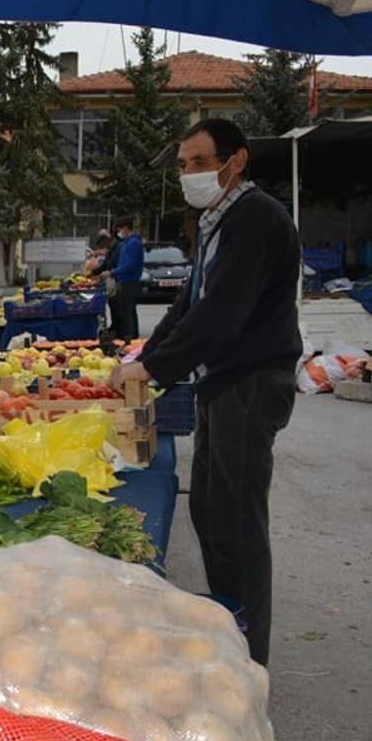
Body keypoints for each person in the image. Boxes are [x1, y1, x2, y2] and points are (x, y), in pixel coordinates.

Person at [110, 118, 301, 666]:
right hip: (223, 379)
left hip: (251, 378)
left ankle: (247, 658)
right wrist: (145, 357)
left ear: (235, 161)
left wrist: (154, 370)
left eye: (199, 162)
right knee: (212, 515)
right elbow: (190, 304)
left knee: (238, 523)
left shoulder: (256, 219)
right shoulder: (219, 219)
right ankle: (227, 627)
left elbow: (221, 316)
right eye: (184, 164)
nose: (189, 173)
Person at [100, 216, 144, 340]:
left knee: (127, 311)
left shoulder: (133, 243)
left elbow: (129, 265)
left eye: (119, 229)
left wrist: (112, 272)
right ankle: (130, 335)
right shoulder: (127, 243)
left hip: (129, 281)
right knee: (126, 310)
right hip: (124, 280)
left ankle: (129, 337)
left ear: (125, 228)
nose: (119, 232)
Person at [93, 228, 124, 335]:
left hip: (119, 280)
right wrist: (93, 272)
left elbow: (120, 265)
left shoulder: (119, 248)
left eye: (104, 244)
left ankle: (120, 330)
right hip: (112, 280)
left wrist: (111, 272)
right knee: (112, 304)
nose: (103, 247)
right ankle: (115, 327)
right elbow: (105, 264)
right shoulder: (111, 249)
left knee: (118, 306)